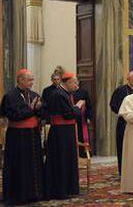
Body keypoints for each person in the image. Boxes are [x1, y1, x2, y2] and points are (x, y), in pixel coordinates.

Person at [1, 69, 44, 205]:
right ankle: (18, 196)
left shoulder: (34, 95)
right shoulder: (10, 96)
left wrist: (39, 109)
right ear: (20, 79)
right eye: (29, 80)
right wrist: (31, 109)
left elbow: (42, 112)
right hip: (17, 137)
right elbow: (14, 115)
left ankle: (35, 194)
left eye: (32, 79)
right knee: (20, 166)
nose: (32, 82)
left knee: (34, 165)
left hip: (33, 136)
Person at [44, 72, 82, 199]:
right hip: (61, 133)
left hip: (66, 131)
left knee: (68, 159)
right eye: (75, 82)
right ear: (68, 83)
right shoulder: (59, 94)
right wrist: (77, 108)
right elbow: (68, 114)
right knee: (62, 160)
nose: (77, 85)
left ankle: (69, 188)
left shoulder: (65, 93)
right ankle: (61, 190)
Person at [109, 71, 133, 175]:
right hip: (124, 123)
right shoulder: (120, 90)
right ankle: (123, 172)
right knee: (122, 147)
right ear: (128, 79)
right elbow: (113, 105)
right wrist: (124, 113)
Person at [73, 87, 93, 157]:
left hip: (82, 119)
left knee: (82, 135)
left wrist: (88, 117)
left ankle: (84, 153)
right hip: (72, 118)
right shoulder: (69, 92)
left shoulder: (84, 92)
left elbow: (89, 106)